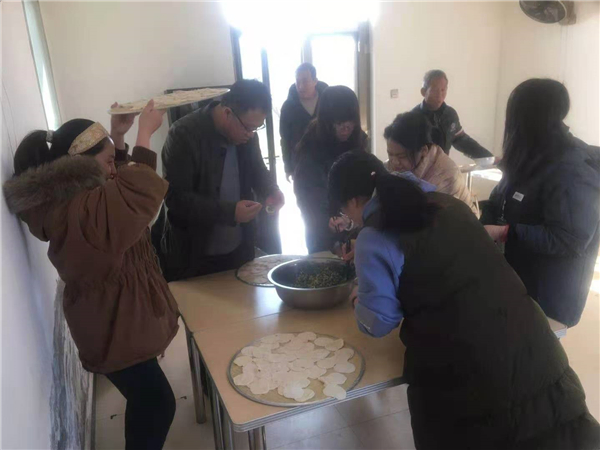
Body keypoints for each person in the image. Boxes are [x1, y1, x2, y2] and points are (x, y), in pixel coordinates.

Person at [328, 151, 600, 450]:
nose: (350, 219)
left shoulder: (374, 236)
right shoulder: (449, 204)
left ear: (352, 201)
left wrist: (358, 299)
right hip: (535, 352)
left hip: (469, 382)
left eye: (344, 211)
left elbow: (379, 322)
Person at [3, 101, 179, 450]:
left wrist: (118, 136)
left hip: (117, 319)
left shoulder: (78, 197)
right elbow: (134, 197)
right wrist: (144, 134)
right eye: (109, 161)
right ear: (81, 167)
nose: (115, 169)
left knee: (147, 401)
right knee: (158, 403)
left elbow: (116, 188)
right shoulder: (79, 210)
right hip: (112, 325)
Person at [481, 79, 600, 327]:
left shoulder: (572, 169)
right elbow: (501, 196)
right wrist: (482, 219)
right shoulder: (531, 153)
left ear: (531, 119)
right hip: (517, 281)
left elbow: (569, 239)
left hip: (547, 298)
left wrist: (504, 232)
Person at [152, 79, 285, 282]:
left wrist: (271, 190)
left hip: (238, 252)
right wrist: (231, 212)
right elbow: (176, 199)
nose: (251, 135)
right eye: (248, 127)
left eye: (257, 128)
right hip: (193, 257)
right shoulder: (183, 135)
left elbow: (257, 170)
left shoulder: (246, 136)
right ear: (227, 113)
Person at [293, 85, 368, 253]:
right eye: (339, 123)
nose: (346, 128)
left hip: (357, 228)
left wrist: (353, 221)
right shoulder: (311, 148)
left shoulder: (359, 142)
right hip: (322, 232)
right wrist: (332, 232)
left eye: (351, 122)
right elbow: (309, 200)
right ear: (326, 120)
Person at [384, 111, 476, 213]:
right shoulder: (391, 166)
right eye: (390, 154)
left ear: (423, 150)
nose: (394, 162)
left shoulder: (446, 177)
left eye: (402, 156)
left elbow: (434, 219)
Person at [413, 69, 494, 160]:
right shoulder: (413, 118)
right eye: (435, 90)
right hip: (420, 168)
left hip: (443, 166)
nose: (439, 95)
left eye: (443, 90)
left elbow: (461, 140)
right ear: (423, 92)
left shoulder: (450, 114)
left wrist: (489, 158)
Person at [279, 63, 328, 180]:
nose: (301, 86)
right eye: (298, 81)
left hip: (326, 163)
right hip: (300, 166)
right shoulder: (288, 107)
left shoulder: (328, 101)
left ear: (315, 81)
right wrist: (288, 167)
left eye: (305, 81)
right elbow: (285, 139)